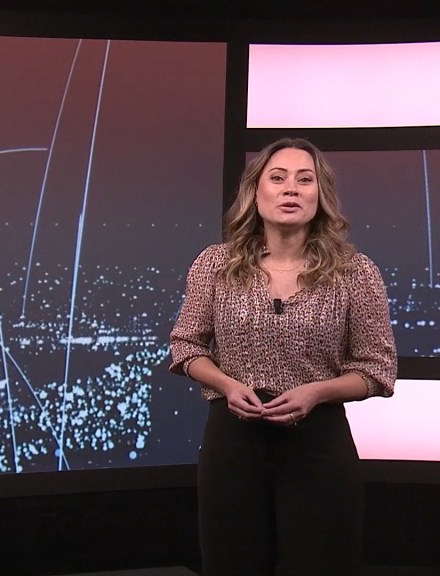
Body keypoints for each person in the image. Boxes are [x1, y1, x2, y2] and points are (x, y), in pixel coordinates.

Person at [169, 137, 397, 576]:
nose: (291, 188)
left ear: (319, 195)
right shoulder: (215, 264)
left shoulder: (355, 272)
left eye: (304, 180)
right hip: (233, 444)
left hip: (318, 446)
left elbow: (377, 369)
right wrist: (227, 385)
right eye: (278, 178)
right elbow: (186, 346)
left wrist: (317, 393)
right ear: (256, 192)